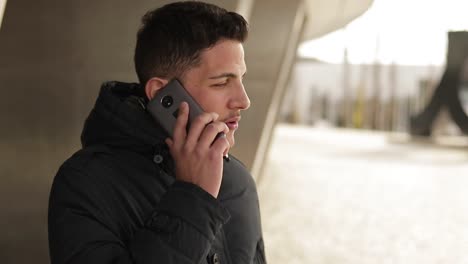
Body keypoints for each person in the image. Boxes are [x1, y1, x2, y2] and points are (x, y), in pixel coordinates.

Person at [47, 1, 266, 264]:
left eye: (241, 79)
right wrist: (193, 198)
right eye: (221, 83)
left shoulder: (239, 181)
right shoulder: (83, 183)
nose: (243, 100)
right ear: (163, 94)